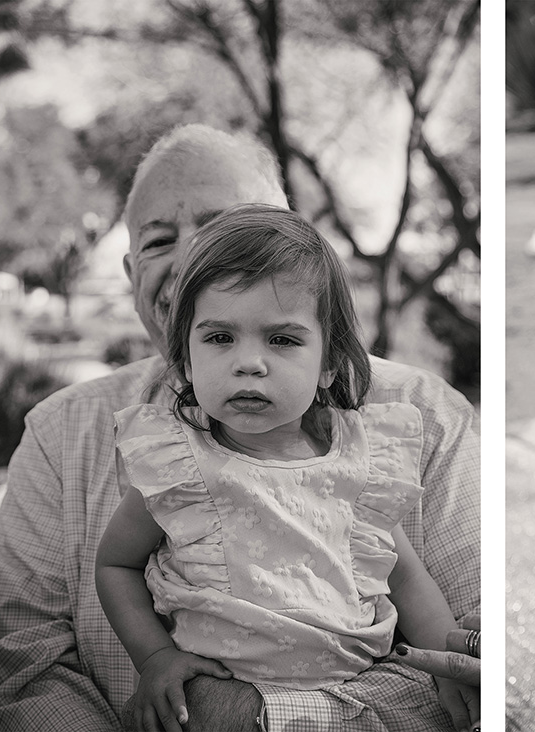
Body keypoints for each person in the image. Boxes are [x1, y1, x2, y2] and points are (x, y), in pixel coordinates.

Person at [0, 124, 480, 732]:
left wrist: (263, 718)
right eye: (159, 240)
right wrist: (159, 658)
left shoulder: (400, 433)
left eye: (229, 228)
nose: (196, 258)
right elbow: (23, 664)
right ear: (129, 272)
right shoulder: (110, 445)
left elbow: (456, 634)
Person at [95, 203, 477, 732]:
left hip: (356, 695)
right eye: (220, 337)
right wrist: (154, 657)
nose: (249, 361)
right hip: (220, 699)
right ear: (184, 359)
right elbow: (115, 566)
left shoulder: (359, 461)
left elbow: (405, 575)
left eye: (282, 339)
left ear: (327, 367)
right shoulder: (180, 465)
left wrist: (446, 664)